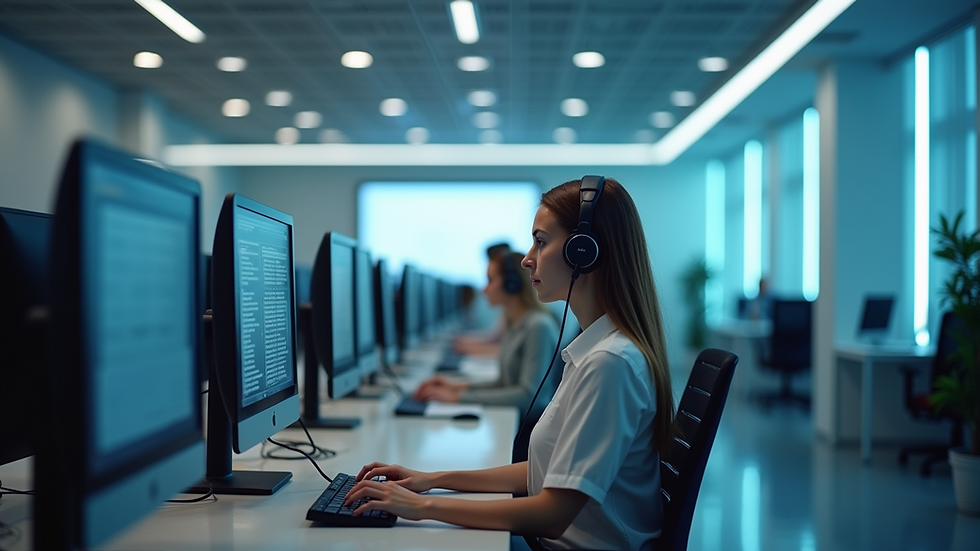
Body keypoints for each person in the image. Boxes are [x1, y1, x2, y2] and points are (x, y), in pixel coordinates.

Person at [344, 177, 676, 550]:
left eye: (541, 241)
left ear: (584, 252)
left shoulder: (609, 364)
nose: (526, 259)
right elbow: (544, 473)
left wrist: (422, 507)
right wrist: (431, 478)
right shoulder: (593, 353)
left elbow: (553, 513)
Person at [414, 251, 559, 418]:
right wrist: (455, 387)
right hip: (513, 419)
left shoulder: (538, 326)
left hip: (529, 429)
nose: (484, 290)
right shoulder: (515, 324)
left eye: (490, 280)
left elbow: (529, 396)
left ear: (512, 284)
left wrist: (458, 398)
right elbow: (503, 384)